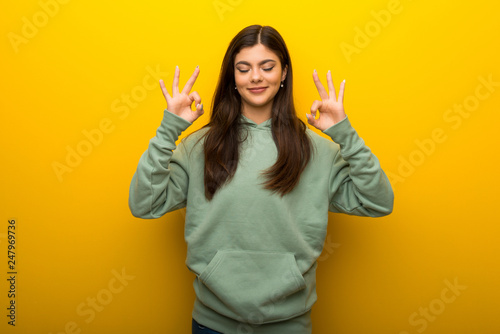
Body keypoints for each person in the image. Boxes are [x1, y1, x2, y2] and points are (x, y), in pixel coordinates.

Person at [128, 24, 394, 334]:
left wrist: (344, 133)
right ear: (233, 78)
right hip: (213, 324)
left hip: (289, 325)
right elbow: (144, 204)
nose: (256, 76)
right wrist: (169, 129)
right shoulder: (198, 147)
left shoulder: (319, 149)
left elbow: (378, 202)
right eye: (244, 68)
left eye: (267, 66)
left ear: (283, 74)